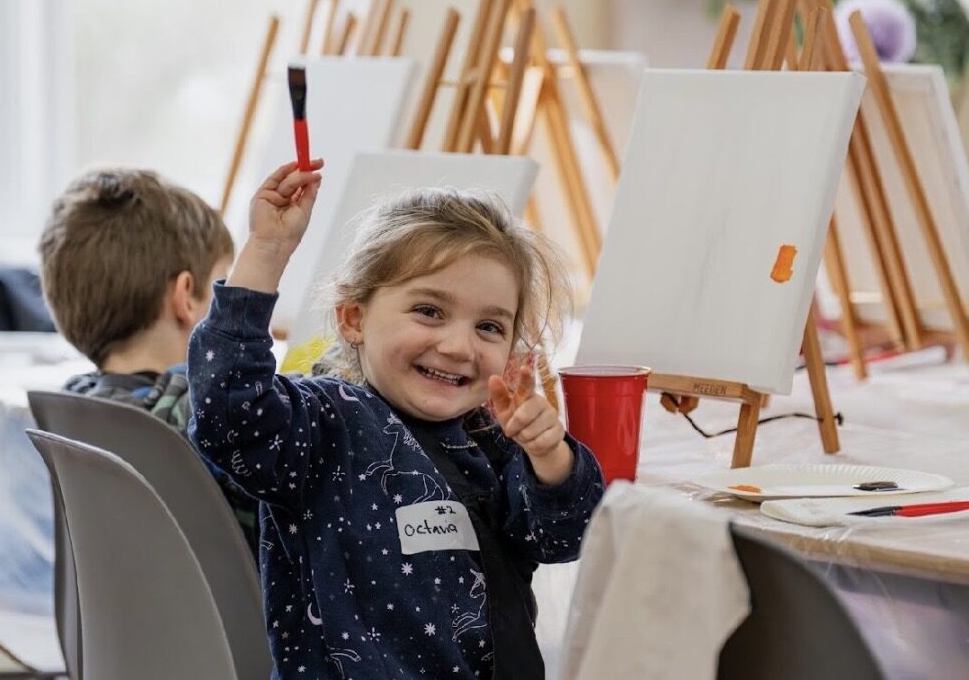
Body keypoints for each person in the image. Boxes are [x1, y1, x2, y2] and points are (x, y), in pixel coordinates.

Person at [188, 160, 604, 679]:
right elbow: (228, 410)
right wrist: (267, 253)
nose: (458, 346)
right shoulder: (321, 424)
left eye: (490, 326)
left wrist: (550, 456)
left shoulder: (493, 439)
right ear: (353, 317)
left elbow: (565, 536)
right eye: (429, 311)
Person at [39, 168, 259, 555]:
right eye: (222, 287)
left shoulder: (73, 403)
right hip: (231, 615)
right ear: (186, 297)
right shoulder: (194, 413)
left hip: (118, 617)